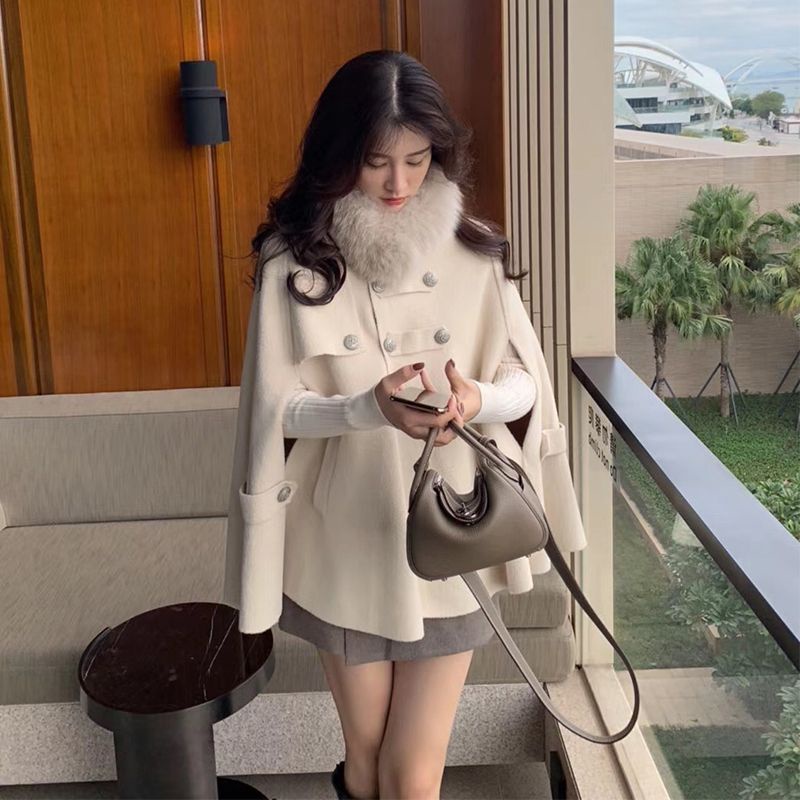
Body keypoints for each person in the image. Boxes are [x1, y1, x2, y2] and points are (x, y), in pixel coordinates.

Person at [224, 49, 587, 800]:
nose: (399, 184)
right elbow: (276, 410)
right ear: (340, 156)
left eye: (417, 161)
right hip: (344, 534)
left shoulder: (471, 247)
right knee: (366, 763)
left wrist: (473, 401)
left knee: (414, 775)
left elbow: (524, 382)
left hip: (455, 530)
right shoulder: (295, 263)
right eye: (377, 162)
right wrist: (368, 408)